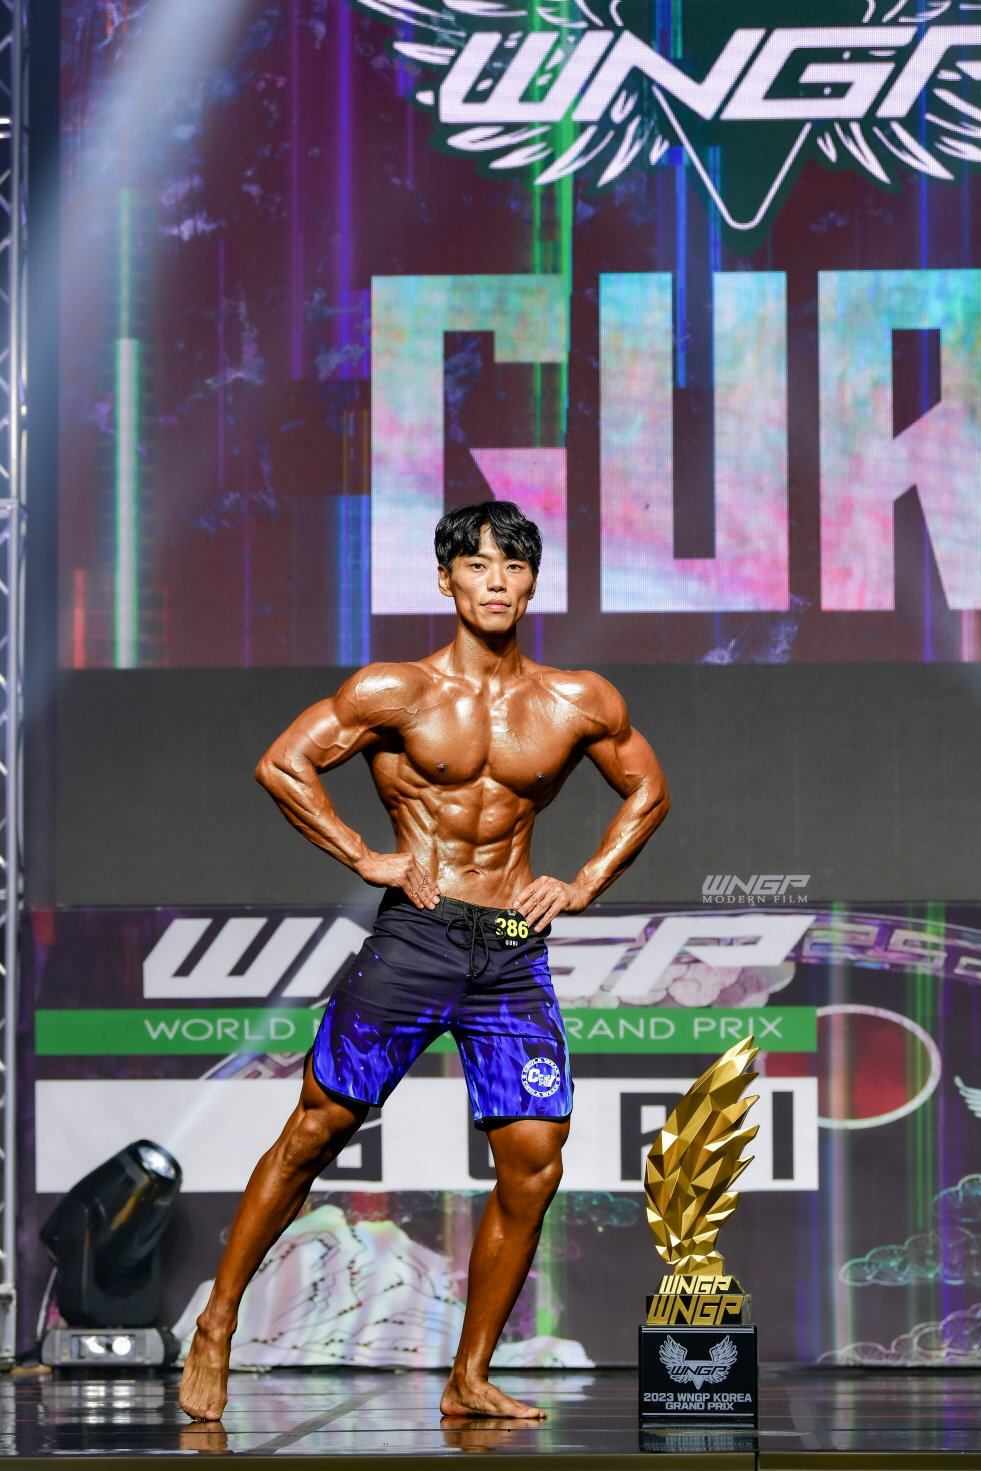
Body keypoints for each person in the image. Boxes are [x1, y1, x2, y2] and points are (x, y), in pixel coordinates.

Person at [178, 500, 669, 1422]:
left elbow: (647, 788)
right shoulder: (395, 691)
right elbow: (283, 764)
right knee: (318, 1126)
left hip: (511, 946)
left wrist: (582, 883)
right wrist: (363, 855)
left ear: (532, 581)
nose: (497, 582)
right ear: (445, 579)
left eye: (513, 566)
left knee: (535, 1158)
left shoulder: (575, 700)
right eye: (477, 565)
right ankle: (218, 1322)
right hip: (417, 933)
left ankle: (468, 1375)